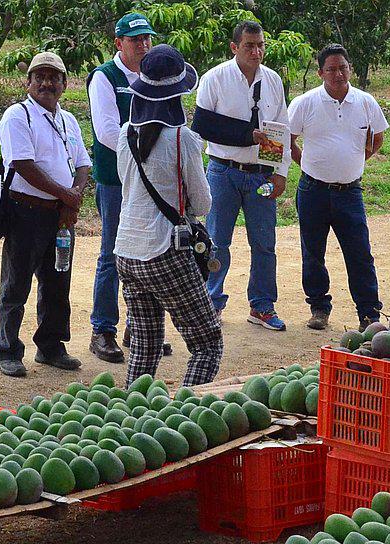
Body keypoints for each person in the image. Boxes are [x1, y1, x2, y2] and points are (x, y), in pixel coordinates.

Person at [114, 45, 224, 386]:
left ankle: (132, 416)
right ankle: (183, 415)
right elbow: (202, 205)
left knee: (144, 348)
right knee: (207, 345)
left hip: (127, 251)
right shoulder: (183, 139)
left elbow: (126, 185)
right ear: (178, 95)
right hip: (165, 253)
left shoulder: (125, 134)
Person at [0, 52, 92, 377]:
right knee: (16, 285)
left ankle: (50, 347)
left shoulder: (69, 119)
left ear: (65, 84)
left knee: (57, 284)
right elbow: (22, 164)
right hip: (26, 212)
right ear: (29, 82)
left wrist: (72, 199)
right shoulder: (17, 116)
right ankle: (7, 350)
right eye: (41, 77)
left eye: (54, 77)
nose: (47, 83)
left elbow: (83, 164)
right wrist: (67, 195)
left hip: (60, 216)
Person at [195, 20, 290, 331]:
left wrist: (280, 172)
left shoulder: (273, 80)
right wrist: (248, 136)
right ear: (234, 47)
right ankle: (211, 302)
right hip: (223, 171)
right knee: (217, 240)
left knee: (264, 242)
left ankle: (262, 305)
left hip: (261, 176)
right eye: (249, 45)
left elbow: (281, 129)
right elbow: (204, 127)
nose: (257, 50)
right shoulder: (215, 79)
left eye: (261, 44)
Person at [288, 44, 388, 331]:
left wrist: (357, 160)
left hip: (350, 193)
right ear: (320, 72)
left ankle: (369, 314)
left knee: (360, 253)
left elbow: (377, 137)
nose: (337, 74)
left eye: (342, 67)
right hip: (312, 191)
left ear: (350, 68)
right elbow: (288, 139)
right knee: (313, 252)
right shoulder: (305, 103)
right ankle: (319, 307)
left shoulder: (365, 101)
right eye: (330, 69)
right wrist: (306, 163)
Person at [87, 12, 158, 364]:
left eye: (147, 38)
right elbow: (105, 132)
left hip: (147, 179)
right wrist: (145, 153)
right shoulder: (104, 77)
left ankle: (139, 326)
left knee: (147, 250)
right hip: (117, 179)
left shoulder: (154, 74)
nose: (143, 45)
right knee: (112, 253)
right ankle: (102, 330)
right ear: (118, 43)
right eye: (135, 40)